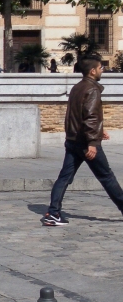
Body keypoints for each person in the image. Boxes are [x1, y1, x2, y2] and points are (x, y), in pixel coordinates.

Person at [42, 54, 123, 225]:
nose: (102, 70)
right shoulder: (92, 90)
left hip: (73, 141)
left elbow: (78, 115)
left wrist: (100, 130)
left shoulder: (77, 87)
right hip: (86, 143)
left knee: (64, 177)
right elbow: (90, 117)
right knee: (107, 177)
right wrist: (93, 142)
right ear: (92, 71)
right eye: (101, 68)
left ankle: (53, 213)